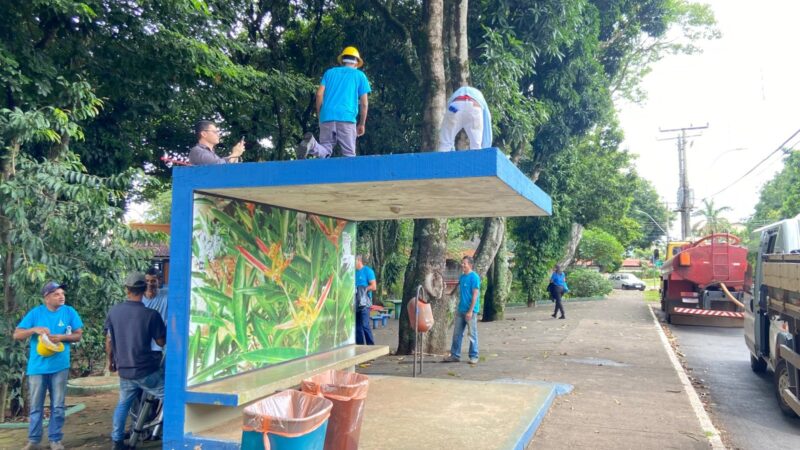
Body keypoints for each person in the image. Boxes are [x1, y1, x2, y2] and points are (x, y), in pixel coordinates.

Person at [13, 281, 84, 450]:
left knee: (58, 405)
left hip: (60, 367)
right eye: (56, 294)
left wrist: (62, 338)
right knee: (36, 406)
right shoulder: (36, 313)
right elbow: (17, 334)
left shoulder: (69, 312)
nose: (61, 297)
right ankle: (34, 440)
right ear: (46, 298)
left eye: (62, 294)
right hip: (37, 368)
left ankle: (55, 439)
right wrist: (33, 330)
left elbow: (78, 335)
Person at [105, 272, 167, 450]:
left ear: (127, 289)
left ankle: (117, 442)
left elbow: (109, 340)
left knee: (123, 405)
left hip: (124, 370)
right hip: (146, 370)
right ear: (144, 288)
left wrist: (111, 362)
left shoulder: (114, 311)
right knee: (170, 398)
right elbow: (161, 342)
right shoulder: (151, 314)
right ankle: (171, 436)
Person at [298, 47, 371, 158]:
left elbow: (319, 94)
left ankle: (312, 144)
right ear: (356, 62)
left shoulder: (329, 73)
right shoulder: (359, 76)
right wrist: (361, 124)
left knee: (325, 150)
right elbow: (364, 103)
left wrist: (320, 115)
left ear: (342, 60)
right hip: (346, 117)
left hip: (326, 116)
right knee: (349, 155)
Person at [445, 256, 480, 364]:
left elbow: (475, 295)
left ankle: (474, 356)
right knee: (457, 334)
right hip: (461, 310)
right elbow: (456, 290)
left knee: (472, 334)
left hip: (471, 311)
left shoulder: (474, 277)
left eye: (464, 263)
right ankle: (455, 355)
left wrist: (470, 311)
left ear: (470, 265)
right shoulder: (462, 277)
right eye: (462, 263)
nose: (462, 265)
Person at [437, 85, 492, 151]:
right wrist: (486, 149)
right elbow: (487, 122)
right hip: (474, 106)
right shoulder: (480, 96)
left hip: (455, 106)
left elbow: (448, 115)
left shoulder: (455, 94)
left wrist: (451, 149)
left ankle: (442, 159)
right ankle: (478, 158)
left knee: (445, 143)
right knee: (476, 145)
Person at [143, 267, 168, 352]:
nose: (149, 284)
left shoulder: (166, 295)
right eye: (147, 281)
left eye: (153, 281)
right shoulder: (139, 298)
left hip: (159, 347)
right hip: (143, 346)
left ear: (159, 281)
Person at [354, 254, 376, 345]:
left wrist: (363, 289)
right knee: (357, 327)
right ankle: (360, 347)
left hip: (365, 303)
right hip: (355, 302)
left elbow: (374, 286)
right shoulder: (353, 273)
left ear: (358, 260)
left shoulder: (368, 271)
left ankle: (371, 346)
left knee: (365, 325)